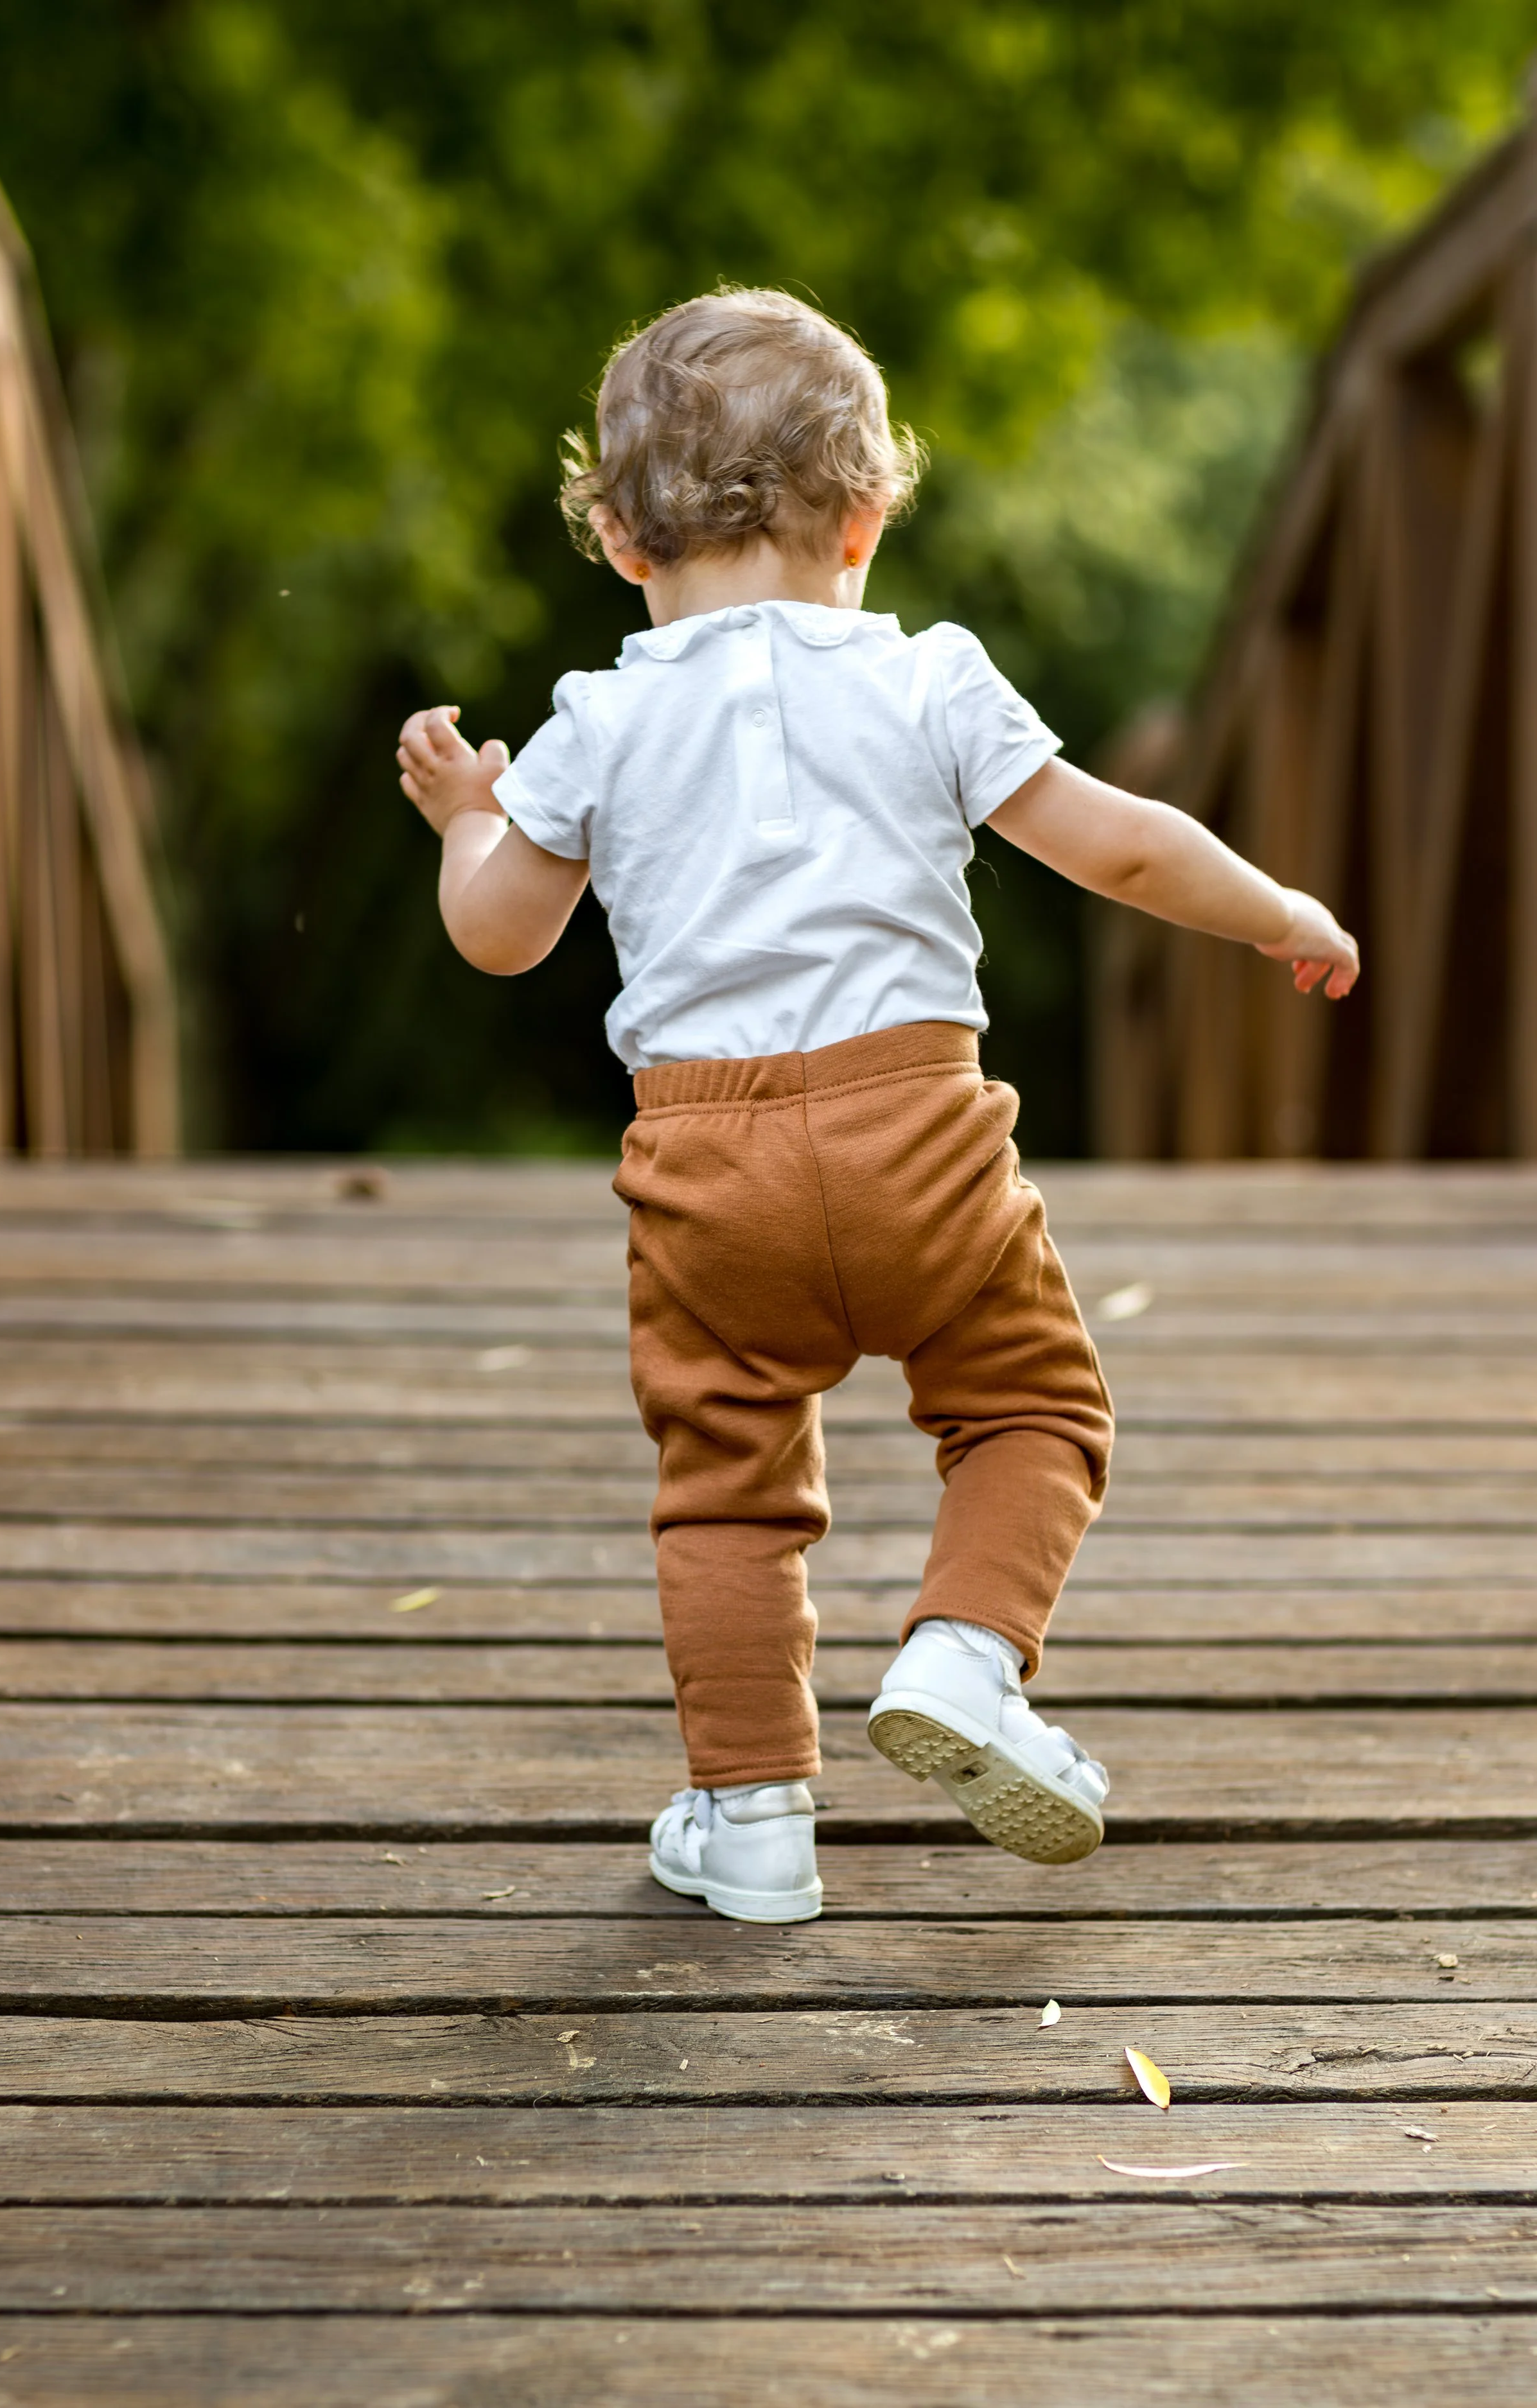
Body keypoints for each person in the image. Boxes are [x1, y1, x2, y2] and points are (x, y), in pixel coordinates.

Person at [398, 288, 1358, 1925]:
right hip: (919, 1136)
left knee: (726, 1480)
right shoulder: (929, 682)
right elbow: (1117, 841)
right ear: (866, 521)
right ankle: (966, 1656)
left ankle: (753, 1816)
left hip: (703, 1166)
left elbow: (497, 937)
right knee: (1031, 1409)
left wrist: (466, 816)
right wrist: (1278, 911)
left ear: (622, 542)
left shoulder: (601, 721)